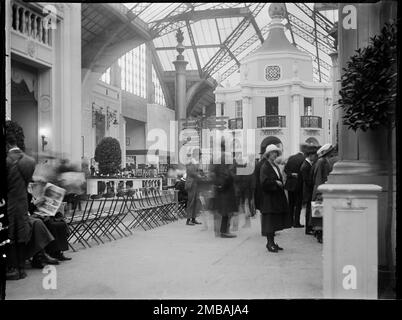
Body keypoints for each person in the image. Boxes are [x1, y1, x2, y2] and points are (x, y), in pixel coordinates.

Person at [5, 132, 36, 279]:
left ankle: (13, 268)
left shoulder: (7, 160)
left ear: (7, 145)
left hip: (10, 203)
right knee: (22, 233)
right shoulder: (30, 161)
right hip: (23, 201)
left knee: (10, 234)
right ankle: (22, 268)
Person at [258, 144, 291, 252]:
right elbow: (264, 182)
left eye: (276, 153)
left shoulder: (274, 166)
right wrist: (275, 182)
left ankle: (272, 243)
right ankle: (269, 243)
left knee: (274, 221)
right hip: (269, 199)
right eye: (273, 153)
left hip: (275, 198)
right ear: (268, 154)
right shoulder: (265, 166)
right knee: (269, 222)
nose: (275, 154)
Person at [311, 143, 335, 243]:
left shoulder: (325, 161)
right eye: (331, 151)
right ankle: (319, 234)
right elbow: (318, 178)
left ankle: (320, 233)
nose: (332, 152)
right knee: (319, 213)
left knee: (321, 213)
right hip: (320, 191)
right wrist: (319, 192)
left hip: (322, 189)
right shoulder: (321, 162)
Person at [211, 152, 238, 238]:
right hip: (226, 194)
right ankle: (224, 231)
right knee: (226, 213)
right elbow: (226, 180)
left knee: (224, 213)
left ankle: (223, 231)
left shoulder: (219, 168)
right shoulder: (225, 170)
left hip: (223, 193)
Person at [284, 144, 306, 228]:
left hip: (290, 184)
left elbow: (285, 169)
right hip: (298, 185)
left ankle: (290, 222)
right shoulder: (303, 159)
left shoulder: (291, 158)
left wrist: (291, 174)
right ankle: (296, 222)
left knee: (291, 204)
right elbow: (303, 171)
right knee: (298, 204)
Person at [300, 145, 318, 235]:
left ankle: (309, 227)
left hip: (308, 190)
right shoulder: (305, 166)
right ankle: (308, 228)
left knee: (309, 210)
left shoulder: (308, 164)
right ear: (310, 155)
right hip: (308, 191)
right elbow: (307, 181)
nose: (315, 157)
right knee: (308, 211)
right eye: (314, 155)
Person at [184, 154, 202, 225]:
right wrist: (199, 175)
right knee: (191, 202)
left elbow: (197, 171)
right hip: (191, 185)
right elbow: (191, 172)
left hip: (196, 184)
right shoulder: (189, 162)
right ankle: (188, 220)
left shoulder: (195, 163)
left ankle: (193, 218)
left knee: (196, 202)